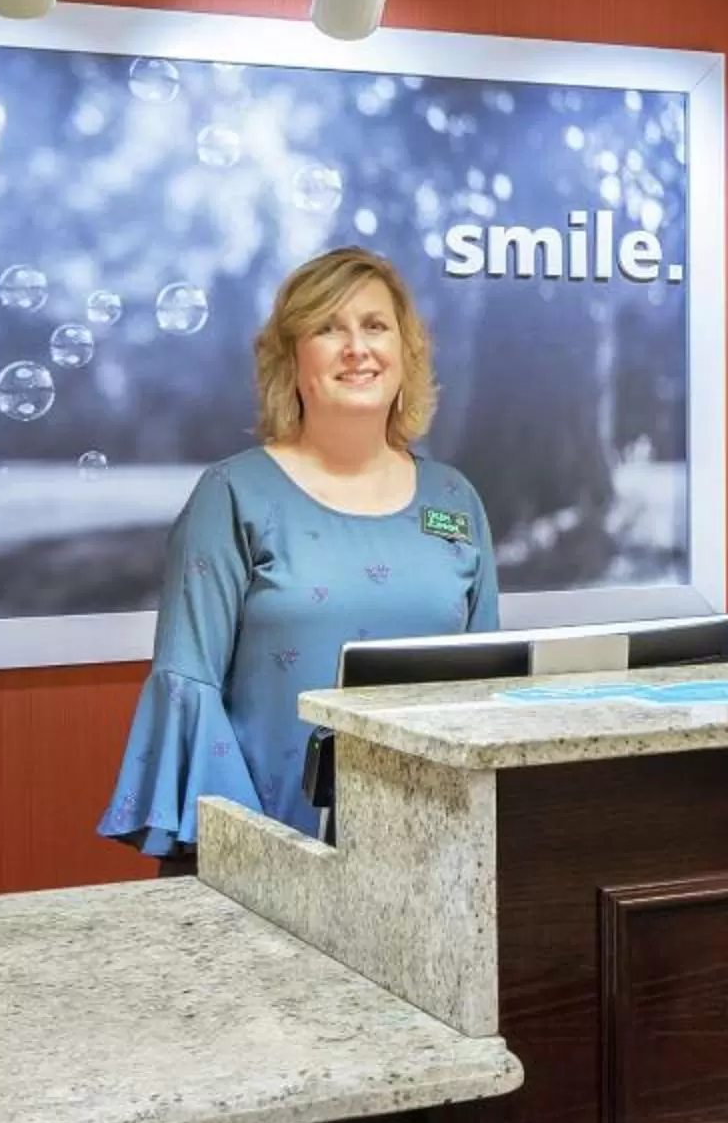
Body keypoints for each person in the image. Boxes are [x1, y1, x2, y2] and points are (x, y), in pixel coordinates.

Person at [99, 245, 498, 869]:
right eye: (327, 328)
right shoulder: (230, 495)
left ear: (406, 352)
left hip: (431, 858)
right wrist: (262, 860)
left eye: (374, 326)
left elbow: (485, 692)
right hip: (268, 859)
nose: (356, 348)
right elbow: (190, 681)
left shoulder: (456, 498)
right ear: (291, 358)